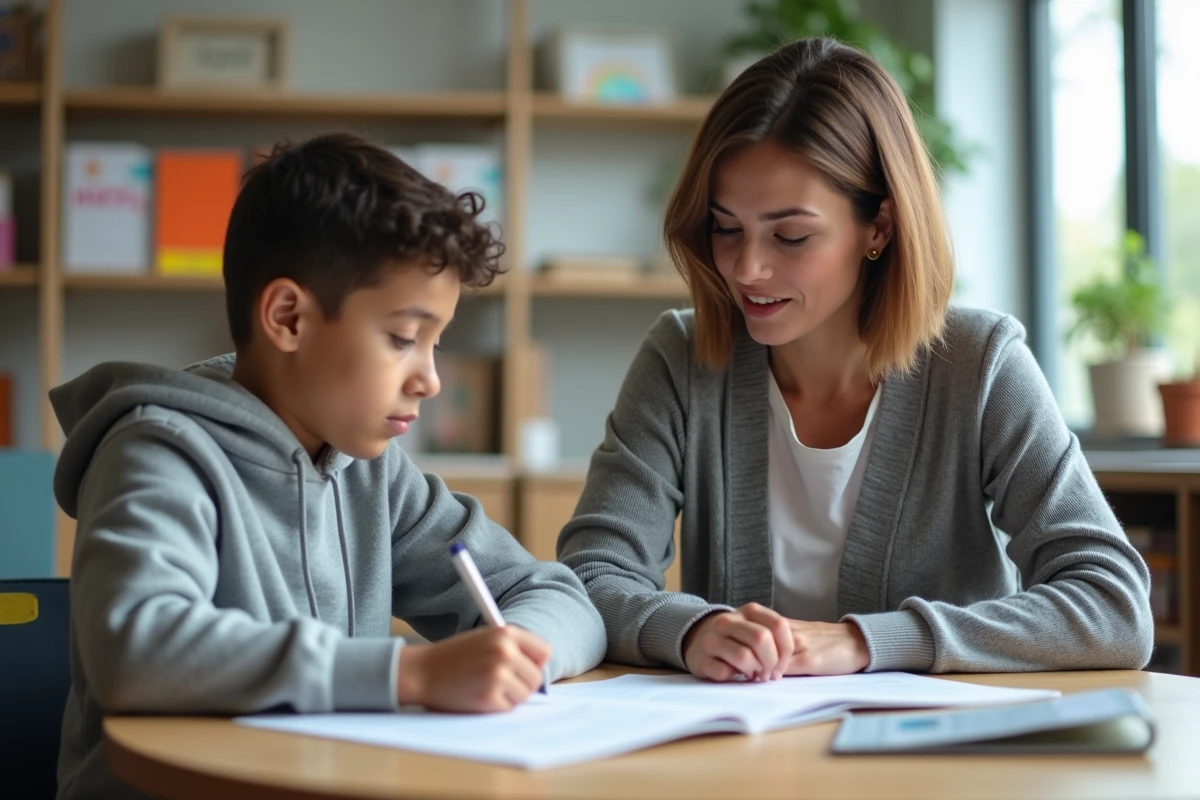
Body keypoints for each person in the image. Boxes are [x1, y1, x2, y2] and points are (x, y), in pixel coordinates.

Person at [557, 37, 1152, 684]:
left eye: (790, 236)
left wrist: (867, 643)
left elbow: (1113, 606)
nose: (747, 268)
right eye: (727, 228)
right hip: (746, 743)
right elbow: (590, 578)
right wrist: (693, 630)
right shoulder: (682, 360)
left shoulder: (979, 366)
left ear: (879, 227)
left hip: (940, 746)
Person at [52, 133, 606, 800]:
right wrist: (410, 676)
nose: (430, 379)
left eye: (436, 343)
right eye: (403, 338)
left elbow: (559, 596)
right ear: (288, 317)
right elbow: (138, 649)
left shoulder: (371, 471)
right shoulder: (156, 453)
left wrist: (515, 653)